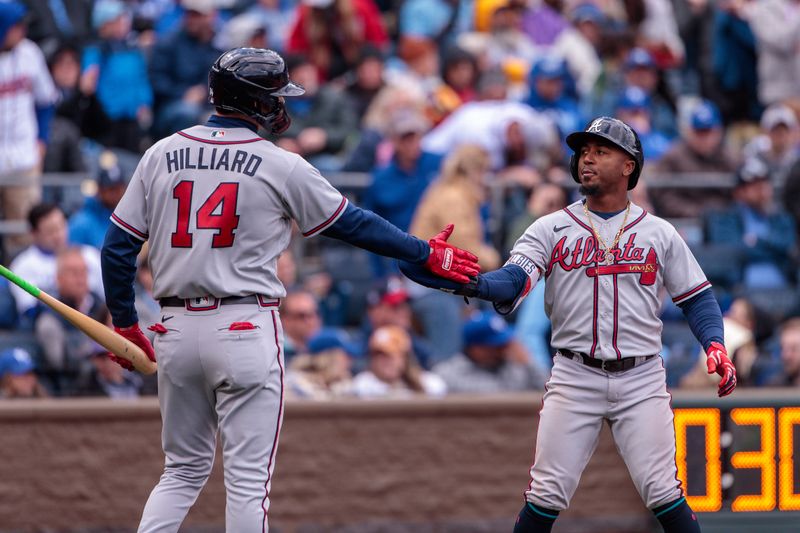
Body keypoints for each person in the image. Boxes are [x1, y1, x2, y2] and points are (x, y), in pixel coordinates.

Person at [99, 47, 479, 533]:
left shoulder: (160, 153)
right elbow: (354, 224)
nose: (282, 106)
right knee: (247, 483)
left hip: (173, 327)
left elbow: (117, 248)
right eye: (275, 96)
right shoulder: (280, 164)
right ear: (255, 101)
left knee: (181, 471)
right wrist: (423, 252)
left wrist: (128, 323)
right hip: (243, 325)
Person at [401, 116, 737, 533]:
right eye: (584, 152)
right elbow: (513, 279)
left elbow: (697, 296)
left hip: (641, 377)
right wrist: (474, 282)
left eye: (600, 151)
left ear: (628, 165)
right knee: (544, 495)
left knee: (662, 492)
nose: (587, 160)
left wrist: (715, 344)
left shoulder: (659, 233)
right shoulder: (550, 228)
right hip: (575, 375)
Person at [0, 1, 59, 258]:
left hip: (23, 156)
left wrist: (41, 140)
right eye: (16, 26)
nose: (22, 30)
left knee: (24, 234)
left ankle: (20, 292)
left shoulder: (29, 53)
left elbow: (46, 101)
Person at [704, 156, 796, 290]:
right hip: (740, 292)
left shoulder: (782, 218)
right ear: (738, 192)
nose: (762, 190)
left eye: (765, 183)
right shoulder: (724, 219)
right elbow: (728, 253)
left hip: (784, 292)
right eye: (753, 185)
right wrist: (773, 250)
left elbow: (787, 247)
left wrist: (756, 242)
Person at [9, 204, 104, 323]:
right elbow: (30, 311)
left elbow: (107, 302)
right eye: (50, 231)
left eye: (61, 227)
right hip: (52, 326)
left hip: (93, 322)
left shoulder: (90, 255)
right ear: (34, 233)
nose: (58, 235)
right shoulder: (23, 265)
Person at [433, 311, 544, 393]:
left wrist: (529, 363)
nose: (503, 350)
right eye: (497, 346)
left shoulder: (513, 365)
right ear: (476, 349)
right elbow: (501, 396)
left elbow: (547, 390)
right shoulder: (448, 373)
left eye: (504, 345)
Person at [351, 325, 446, 398]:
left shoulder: (430, 383)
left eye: (390, 355)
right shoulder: (363, 383)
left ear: (405, 358)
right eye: (378, 355)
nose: (384, 361)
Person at [68, 158, 128, 249]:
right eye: (111, 189)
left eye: (119, 188)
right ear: (100, 190)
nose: (116, 194)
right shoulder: (81, 223)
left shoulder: (129, 218)